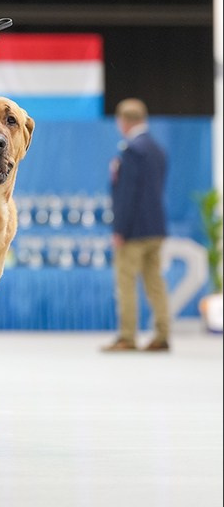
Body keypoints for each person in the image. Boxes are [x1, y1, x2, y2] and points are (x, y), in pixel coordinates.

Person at [101, 98, 171, 353]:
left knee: (126, 282)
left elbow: (127, 195)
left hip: (133, 231)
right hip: (156, 227)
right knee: (155, 282)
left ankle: (127, 337)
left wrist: (120, 229)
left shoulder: (131, 151)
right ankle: (162, 334)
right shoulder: (157, 149)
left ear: (124, 121)